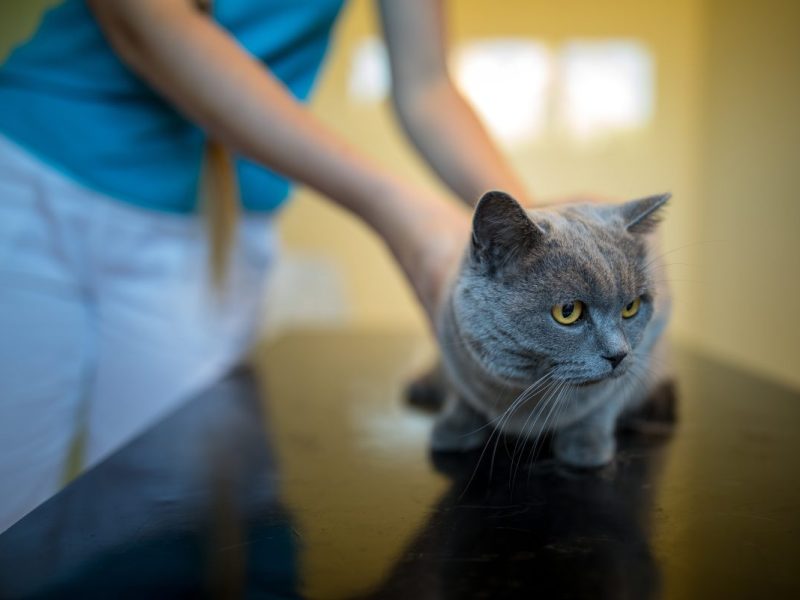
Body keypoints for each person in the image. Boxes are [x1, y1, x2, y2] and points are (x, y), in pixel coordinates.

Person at [0, 0, 531, 532]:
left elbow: (425, 85)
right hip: (31, 176)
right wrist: (397, 211)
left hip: (215, 220)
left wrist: (543, 230)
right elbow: (145, 23)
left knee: (155, 523)